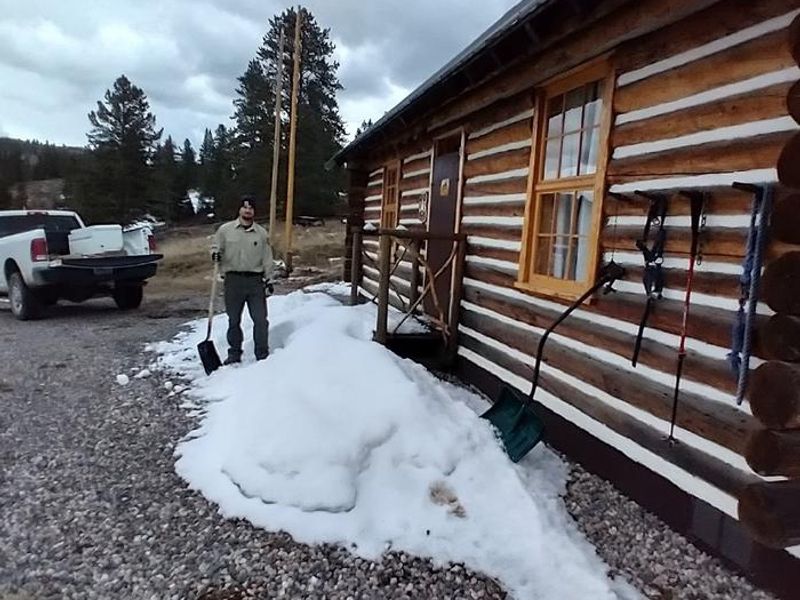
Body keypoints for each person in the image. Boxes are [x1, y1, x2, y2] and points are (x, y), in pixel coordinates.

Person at [210, 196, 274, 364]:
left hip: (255, 281)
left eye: (251, 208)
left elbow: (267, 258)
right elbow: (216, 247)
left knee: (260, 319)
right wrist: (215, 254)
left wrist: (269, 278)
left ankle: (262, 354)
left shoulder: (261, 233)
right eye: (245, 207)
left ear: (254, 211)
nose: (247, 211)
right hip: (233, 280)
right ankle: (234, 353)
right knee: (234, 319)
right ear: (239, 210)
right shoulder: (225, 230)